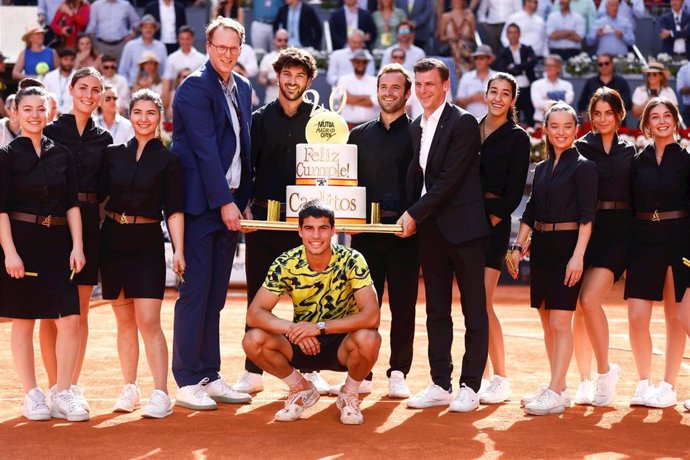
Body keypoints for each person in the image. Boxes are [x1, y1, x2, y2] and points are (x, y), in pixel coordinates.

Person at [170, 16, 253, 410]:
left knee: (216, 296)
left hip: (230, 202)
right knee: (196, 292)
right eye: (220, 47)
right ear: (208, 47)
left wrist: (242, 197)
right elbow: (203, 150)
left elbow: (243, 148)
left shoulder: (244, 87)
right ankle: (187, 378)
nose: (227, 54)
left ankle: (209, 373)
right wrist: (224, 202)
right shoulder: (193, 87)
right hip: (203, 205)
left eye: (234, 48)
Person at [400, 58, 491, 413]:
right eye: (418, 85)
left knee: (474, 311)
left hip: (465, 230)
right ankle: (440, 383)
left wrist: (414, 212)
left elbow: (450, 180)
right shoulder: (415, 126)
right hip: (432, 230)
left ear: (445, 85)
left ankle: (470, 385)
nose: (423, 91)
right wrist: (407, 211)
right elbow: (419, 178)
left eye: (429, 84)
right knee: (436, 310)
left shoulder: (464, 122)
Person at [242, 200, 382, 425]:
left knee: (369, 338)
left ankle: (349, 394)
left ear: (333, 230)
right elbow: (255, 313)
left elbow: (371, 316)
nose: (316, 236)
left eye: (323, 228)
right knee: (253, 339)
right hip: (303, 342)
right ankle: (301, 389)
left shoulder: (352, 260)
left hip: (342, 343)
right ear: (299, 231)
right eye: (309, 228)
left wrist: (318, 328)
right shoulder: (287, 262)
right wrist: (294, 329)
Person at [233, 47, 323, 394]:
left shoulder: (320, 121)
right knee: (259, 293)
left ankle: (312, 367)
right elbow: (246, 169)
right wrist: (245, 207)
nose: (292, 81)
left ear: (309, 80)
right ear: (276, 76)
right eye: (287, 74)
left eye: (299, 76)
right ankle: (252, 370)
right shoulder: (258, 119)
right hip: (265, 220)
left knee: (310, 294)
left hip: (306, 224)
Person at [0, 85, 87, 421]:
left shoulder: (62, 154)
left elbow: (72, 205)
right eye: (27, 109)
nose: (35, 115)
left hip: (59, 244)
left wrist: (77, 245)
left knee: (71, 319)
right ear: (15, 114)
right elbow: (2, 209)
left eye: (40, 109)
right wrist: (10, 253)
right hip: (22, 242)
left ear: (50, 111)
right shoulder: (6, 156)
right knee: (23, 321)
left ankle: (63, 391)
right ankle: (31, 394)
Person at [507, 101, 598, 415]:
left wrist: (578, 256)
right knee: (547, 321)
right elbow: (530, 213)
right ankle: (557, 384)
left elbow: (588, 217)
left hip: (567, 247)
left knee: (561, 321)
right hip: (543, 247)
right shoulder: (543, 167)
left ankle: (557, 390)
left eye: (567, 126)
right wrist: (518, 248)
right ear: (545, 130)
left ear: (576, 130)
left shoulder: (585, 166)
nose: (561, 132)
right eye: (554, 126)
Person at [99, 89, 184, 419]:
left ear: (159, 118)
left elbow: (174, 210)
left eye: (150, 113)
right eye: (137, 112)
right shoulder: (113, 154)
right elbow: (99, 198)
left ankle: (161, 393)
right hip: (113, 240)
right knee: (123, 321)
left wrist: (179, 250)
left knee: (148, 320)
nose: (144, 118)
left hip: (147, 240)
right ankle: (130, 387)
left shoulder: (169, 159)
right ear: (129, 115)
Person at [41, 67, 113, 412]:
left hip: (88, 222)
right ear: (70, 90)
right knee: (50, 312)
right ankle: (54, 386)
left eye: (96, 89)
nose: (89, 94)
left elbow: (106, 191)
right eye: (83, 87)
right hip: (53, 224)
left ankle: (69, 386)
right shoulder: (51, 131)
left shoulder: (105, 138)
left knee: (81, 313)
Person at [347, 63, 419, 399]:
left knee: (403, 305)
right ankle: (362, 372)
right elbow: (347, 184)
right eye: (383, 87)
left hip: (406, 235)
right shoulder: (358, 135)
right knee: (363, 306)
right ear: (376, 91)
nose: (388, 93)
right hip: (364, 236)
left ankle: (399, 372)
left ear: (407, 93)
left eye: (396, 88)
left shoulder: (419, 133)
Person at [569, 87, 634, 407]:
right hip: (587, 230)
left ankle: (606, 372)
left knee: (589, 299)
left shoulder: (630, 151)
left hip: (619, 232)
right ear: (591, 117)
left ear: (619, 115)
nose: (603, 118)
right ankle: (584, 380)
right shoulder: (581, 148)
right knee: (579, 310)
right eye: (597, 114)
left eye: (609, 113)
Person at [624, 97, 690, 408]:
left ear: (675, 121)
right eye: (655, 116)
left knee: (676, 317)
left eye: (666, 116)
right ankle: (643, 384)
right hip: (643, 239)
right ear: (647, 123)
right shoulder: (639, 161)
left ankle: (668, 386)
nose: (661, 121)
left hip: (679, 240)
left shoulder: (687, 160)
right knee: (637, 315)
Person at [476, 73, 530, 405]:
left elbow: (513, 194)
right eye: (493, 91)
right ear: (485, 94)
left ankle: (500, 377)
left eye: (505, 93)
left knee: (483, 302)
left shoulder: (517, 137)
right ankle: (477, 376)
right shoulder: (469, 127)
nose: (498, 98)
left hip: (492, 224)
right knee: (472, 303)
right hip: (464, 221)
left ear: (512, 100)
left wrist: (490, 220)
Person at [495, 24, 537, 124]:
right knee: (513, 119)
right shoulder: (503, 52)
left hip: (528, 87)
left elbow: (533, 62)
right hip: (512, 89)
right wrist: (524, 64)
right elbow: (502, 68)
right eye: (510, 32)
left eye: (515, 32)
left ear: (519, 34)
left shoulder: (527, 49)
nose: (513, 35)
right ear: (507, 35)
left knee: (530, 116)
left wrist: (514, 66)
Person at [162, 26, 206, 113]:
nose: (185, 41)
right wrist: (166, 105)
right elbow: (167, 82)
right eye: (182, 38)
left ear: (192, 39)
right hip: (176, 97)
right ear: (178, 39)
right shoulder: (171, 58)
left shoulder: (201, 58)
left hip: (197, 97)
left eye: (187, 38)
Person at [576, 53, 631, 121]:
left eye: (606, 63)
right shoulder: (591, 82)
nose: (603, 66)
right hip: (594, 123)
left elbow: (627, 104)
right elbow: (582, 104)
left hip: (617, 123)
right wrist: (586, 119)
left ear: (612, 64)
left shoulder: (621, 82)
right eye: (600, 64)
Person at [119, 14, 168, 86]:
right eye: (145, 27)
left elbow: (164, 70)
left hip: (156, 88)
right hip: (134, 88)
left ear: (154, 30)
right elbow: (122, 70)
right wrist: (129, 86)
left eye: (151, 27)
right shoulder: (130, 46)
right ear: (141, 29)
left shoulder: (161, 47)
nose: (148, 30)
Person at [455, 45, 497, 121]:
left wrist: (487, 100)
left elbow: (506, 103)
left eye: (481, 58)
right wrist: (471, 99)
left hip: (494, 123)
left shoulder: (498, 77)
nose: (478, 61)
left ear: (489, 60)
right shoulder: (466, 77)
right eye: (476, 58)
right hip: (470, 123)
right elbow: (458, 101)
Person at [338, 50, 379, 126]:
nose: (361, 64)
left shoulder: (375, 81)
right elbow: (343, 99)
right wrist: (366, 97)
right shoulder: (343, 79)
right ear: (353, 62)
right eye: (358, 61)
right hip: (348, 124)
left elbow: (372, 103)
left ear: (367, 63)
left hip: (370, 125)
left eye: (364, 62)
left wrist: (351, 99)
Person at [530, 54, 574, 125]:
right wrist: (560, 99)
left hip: (561, 123)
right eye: (547, 65)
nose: (548, 68)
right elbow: (537, 104)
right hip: (541, 124)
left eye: (551, 65)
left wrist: (547, 99)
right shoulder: (536, 84)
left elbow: (569, 100)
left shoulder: (567, 85)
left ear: (559, 68)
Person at [438, 0, 476, 76]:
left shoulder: (470, 17)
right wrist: (451, 38)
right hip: (451, 53)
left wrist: (466, 37)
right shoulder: (445, 17)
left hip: (465, 55)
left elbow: (473, 37)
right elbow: (441, 37)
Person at [257, 29, 289, 105]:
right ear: (274, 40)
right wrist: (270, 81)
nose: (283, 43)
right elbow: (260, 79)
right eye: (280, 40)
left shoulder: (294, 58)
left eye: (285, 40)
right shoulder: (267, 58)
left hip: (290, 102)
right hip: (271, 101)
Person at [42, 47, 76, 115]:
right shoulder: (49, 76)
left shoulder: (79, 77)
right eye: (66, 59)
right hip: (52, 115)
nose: (68, 62)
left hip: (72, 116)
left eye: (71, 60)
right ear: (60, 59)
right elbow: (43, 97)